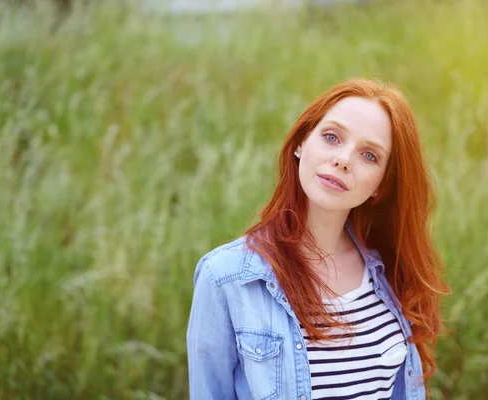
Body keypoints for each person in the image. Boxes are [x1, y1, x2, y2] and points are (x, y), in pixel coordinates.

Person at [186, 78, 451, 400]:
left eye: (369, 155)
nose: (343, 159)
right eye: (331, 137)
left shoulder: (392, 270)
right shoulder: (226, 277)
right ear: (301, 143)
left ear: (381, 184)